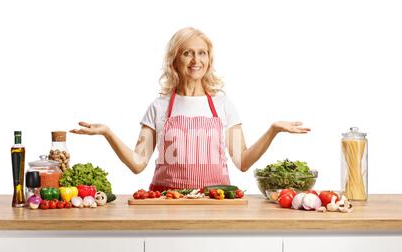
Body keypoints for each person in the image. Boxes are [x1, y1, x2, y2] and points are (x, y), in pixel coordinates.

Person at [70, 27, 310, 192]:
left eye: (202, 53)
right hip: (167, 203)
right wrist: (108, 133)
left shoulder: (222, 105)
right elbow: (137, 163)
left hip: (215, 202)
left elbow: (243, 161)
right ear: (175, 60)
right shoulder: (159, 107)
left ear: (209, 59)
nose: (196, 60)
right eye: (187, 53)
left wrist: (273, 130)